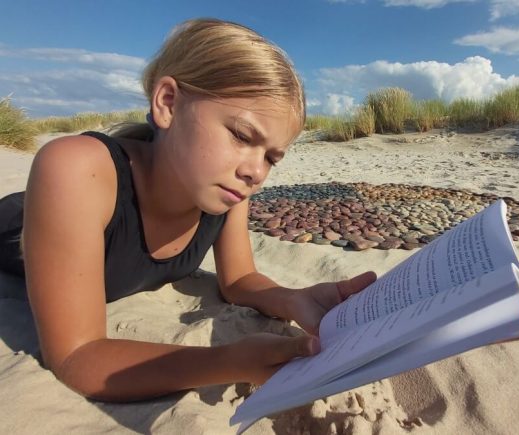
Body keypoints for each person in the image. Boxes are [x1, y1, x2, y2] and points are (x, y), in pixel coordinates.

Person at [0, 18, 376, 401]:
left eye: (271, 158)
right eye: (242, 136)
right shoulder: (76, 168)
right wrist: (229, 361)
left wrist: (293, 298)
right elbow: (77, 356)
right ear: (168, 103)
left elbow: (239, 280)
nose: (256, 171)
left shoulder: (227, 192)